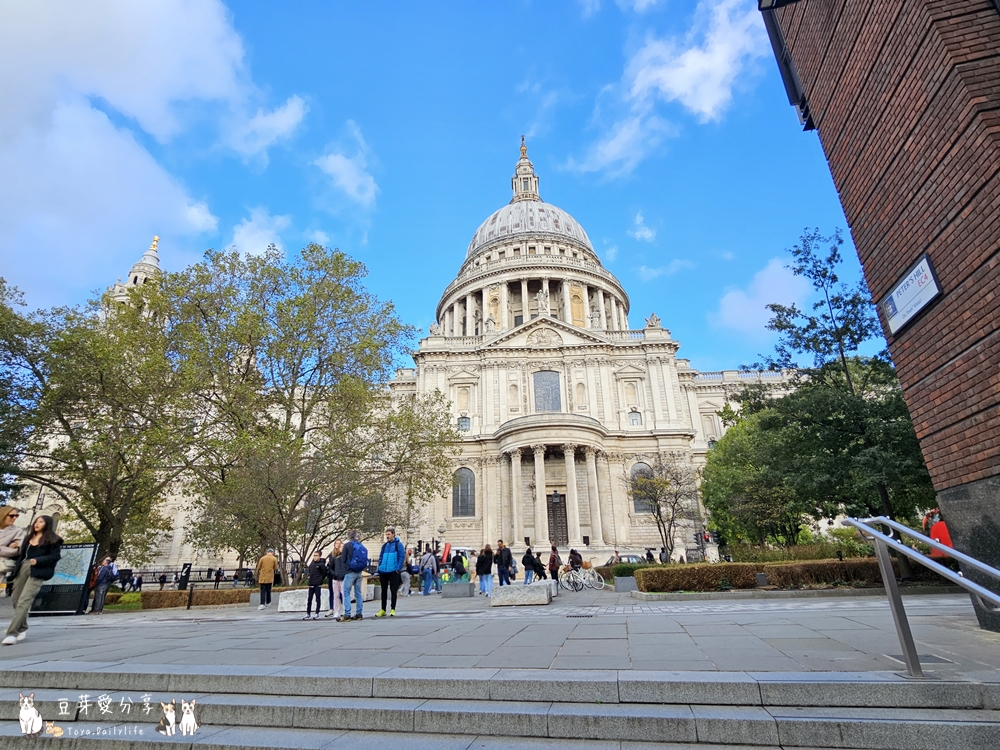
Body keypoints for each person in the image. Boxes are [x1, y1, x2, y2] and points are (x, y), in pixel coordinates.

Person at [3, 515, 62, 645]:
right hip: (22, 569)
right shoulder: (28, 538)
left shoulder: (53, 540)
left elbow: (55, 556)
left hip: (37, 570)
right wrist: (14, 547)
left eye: (40, 522)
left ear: (47, 524)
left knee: (24, 600)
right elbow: (20, 555)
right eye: (36, 521)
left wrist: (39, 561)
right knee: (16, 600)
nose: (37, 523)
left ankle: (12, 633)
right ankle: (22, 627)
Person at [376, 527, 406, 618]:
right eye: (386, 534)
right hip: (383, 571)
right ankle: (383, 609)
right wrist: (380, 567)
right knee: (383, 591)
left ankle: (393, 608)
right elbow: (380, 556)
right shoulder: (384, 546)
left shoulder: (398, 545)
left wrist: (398, 569)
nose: (387, 536)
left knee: (393, 590)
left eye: (389, 534)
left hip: (393, 571)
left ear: (393, 534)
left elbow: (401, 557)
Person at [340, 529, 367, 622]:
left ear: (349, 536)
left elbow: (343, 559)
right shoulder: (360, 545)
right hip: (359, 572)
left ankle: (347, 614)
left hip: (350, 572)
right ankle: (359, 613)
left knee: (346, 592)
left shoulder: (347, 545)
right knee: (358, 593)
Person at [0, 507, 25, 596]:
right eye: (11, 516)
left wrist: (2, 549)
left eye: (16, 516)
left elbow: (16, 550)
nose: (14, 518)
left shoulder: (17, 531)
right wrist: (6, 546)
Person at [303, 551, 328, 620]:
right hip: (311, 584)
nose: (315, 557)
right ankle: (308, 613)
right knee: (309, 599)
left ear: (319, 556)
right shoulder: (312, 563)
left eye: (316, 555)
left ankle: (317, 613)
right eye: (314, 555)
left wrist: (320, 580)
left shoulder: (321, 564)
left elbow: (324, 573)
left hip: (317, 584)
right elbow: (310, 571)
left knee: (317, 599)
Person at [325, 540, 346, 618]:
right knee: (335, 595)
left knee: (344, 594)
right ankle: (335, 610)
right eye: (337, 544)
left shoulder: (345, 557)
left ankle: (345, 610)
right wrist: (334, 574)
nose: (340, 547)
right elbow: (330, 567)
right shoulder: (333, 556)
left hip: (343, 578)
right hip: (335, 577)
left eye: (340, 545)